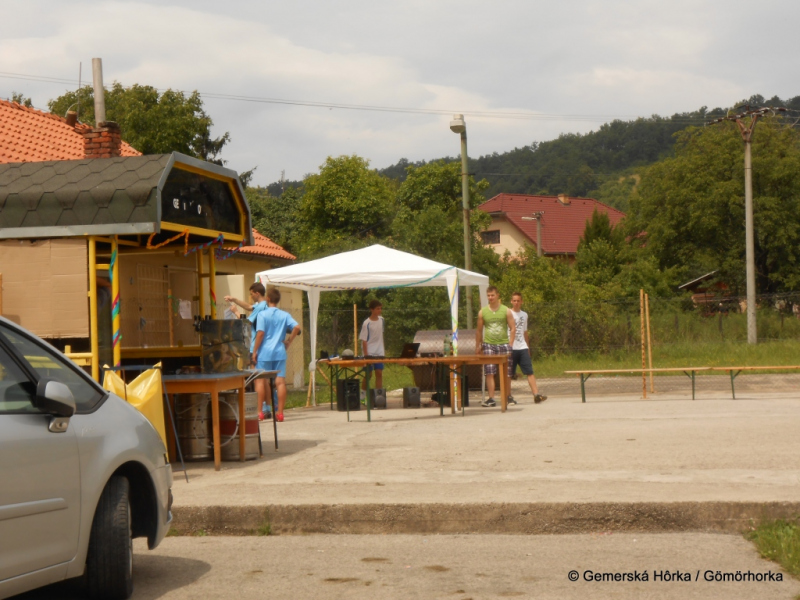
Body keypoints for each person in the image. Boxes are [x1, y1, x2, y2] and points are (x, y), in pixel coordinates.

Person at [251, 287, 300, 422]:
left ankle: (260, 412)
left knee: (260, 381)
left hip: (264, 352)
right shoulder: (284, 315)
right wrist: (289, 341)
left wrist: (254, 351)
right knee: (280, 382)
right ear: (278, 300)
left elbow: (260, 333)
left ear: (267, 299)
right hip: (279, 351)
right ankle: (280, 413)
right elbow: (297, 327)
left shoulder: (263, 314)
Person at [225, 283, 271, 420]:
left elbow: (247, 322)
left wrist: (235, 312)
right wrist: (234, 299)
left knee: (257, 379)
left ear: (257, 293)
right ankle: (267, 407)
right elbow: (249, 307)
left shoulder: (261, 306)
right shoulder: (264, 306)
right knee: (265, 378)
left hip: (255, 347)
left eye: (251, 294)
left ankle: (259, 410)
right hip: (265, 347)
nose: (250, 297)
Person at [476, 286, 516, 407]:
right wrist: (478, 345)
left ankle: (508, 396)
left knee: (507, 372)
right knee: (489, 371)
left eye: (492, 295)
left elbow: (513, 327)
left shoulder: (506, 310)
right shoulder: (483, 312)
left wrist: (510, 344)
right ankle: (491, 398)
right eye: (488, 295)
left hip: (504, 344)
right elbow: (478, 330)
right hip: (489, 344)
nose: (490, 298)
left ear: (497, 295)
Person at [509, 292, 547, 404]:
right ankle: (508, 396)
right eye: (514, 300)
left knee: (529, 371)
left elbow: (525, 332)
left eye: (518, 301)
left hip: (522, 347)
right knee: (509, 374)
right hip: (511, 347)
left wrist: (528, 347)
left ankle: (536, 394)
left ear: (521, 302)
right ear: (511, 301)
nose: (516, 303)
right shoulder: (508, 313)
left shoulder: (524, 315)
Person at [359, 300, 384, 399]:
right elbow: (364, 340)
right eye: (377, 309)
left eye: (380, 308)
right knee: (368, 374)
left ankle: (379, 397)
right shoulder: (366, 323)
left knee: (379, 373)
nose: (380, 310)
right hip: (369, 352)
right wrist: (366, 356)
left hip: (379, 352)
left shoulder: (382, 320)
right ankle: (362, 396)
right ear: (372, 309)